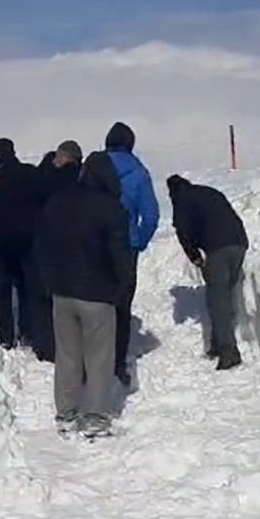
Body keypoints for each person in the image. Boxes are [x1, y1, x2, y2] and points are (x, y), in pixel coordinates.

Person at [34, 151, 131, 438]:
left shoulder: (57, 201)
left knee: (67, 355)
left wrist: (49, 281)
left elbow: (41, 245)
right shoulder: (111, 209)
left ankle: (66, 413)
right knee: (99, 357)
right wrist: (121, 287)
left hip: (61, 293)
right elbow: (121, 256)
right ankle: (96, 417)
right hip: (97, 294)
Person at [166, 174, 249, 370]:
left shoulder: (182, 201)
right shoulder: (210, 192)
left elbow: (183, 232)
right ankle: (218, 343)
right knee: (224, 296)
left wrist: (195, 256)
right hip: (239, 244)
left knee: (217, 300)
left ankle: (229, 352)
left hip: (218, 248)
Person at [104, 121, 160, 386]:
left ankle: (92, 360)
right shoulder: (139, 173)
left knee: (96, 302)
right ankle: (117, 363)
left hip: (95, 244)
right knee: (122, 305)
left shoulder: (94, 168)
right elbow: (150, 215)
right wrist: (137, 241)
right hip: (125, 247)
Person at [28, 140, 84, 363]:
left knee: (45, 298)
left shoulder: (51, 180)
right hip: (79, 248)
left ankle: (47, 347)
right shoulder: (87, 179)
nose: (54, 160)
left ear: (66, 157)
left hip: (50, 246)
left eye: (58, 156)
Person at [0, 137, 43, 349]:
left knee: (2, 289)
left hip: (1, 241)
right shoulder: (30, 173)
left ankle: (6, 337)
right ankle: (27, 332)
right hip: (26, 239)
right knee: (25, 287)